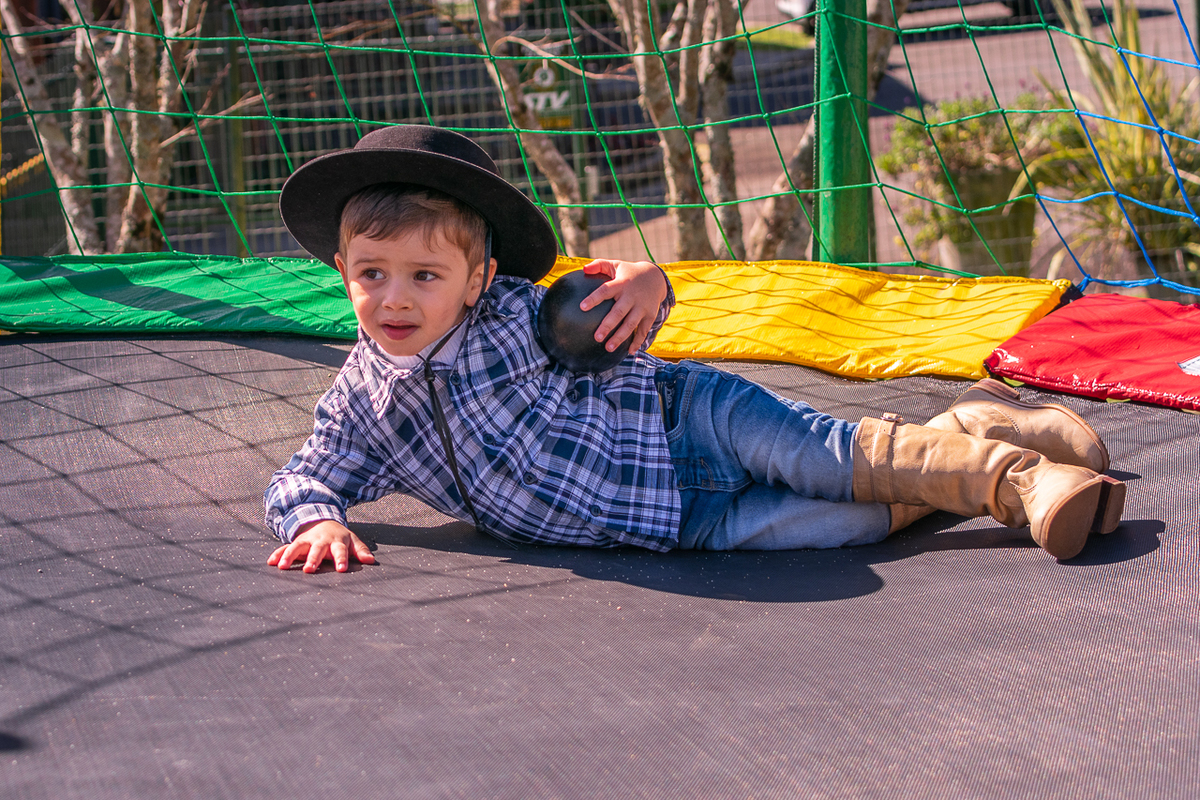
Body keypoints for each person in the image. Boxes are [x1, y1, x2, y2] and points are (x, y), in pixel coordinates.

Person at [265, 125, 1125, 574]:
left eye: (424, 275)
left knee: (830, 458)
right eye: (373, 273)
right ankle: (975, 427)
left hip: (692, 423)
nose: (395, 298)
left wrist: (649, 282)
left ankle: (1017, 485)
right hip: (681, 523)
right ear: (342, 270)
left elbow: (623, 291)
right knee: (854, 525)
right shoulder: (361, 407)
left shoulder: (515, 315)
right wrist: (319, 519)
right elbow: (303, 474)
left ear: (478, 277)